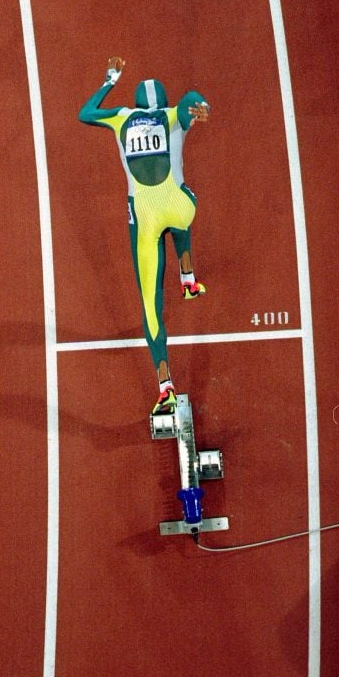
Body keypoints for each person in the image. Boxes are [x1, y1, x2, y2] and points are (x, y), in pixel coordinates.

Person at [79, 57, 210, 415]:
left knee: (151, 308)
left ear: (136, 105)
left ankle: (165, 384)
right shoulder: (172, 114)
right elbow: (191, 100)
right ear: (163, 102)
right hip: (179, 207)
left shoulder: (121, 117)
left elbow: (85, 113)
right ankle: (188, 280)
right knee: (185, 207)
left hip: (145, 219)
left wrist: (109, 80)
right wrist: (201, 107)